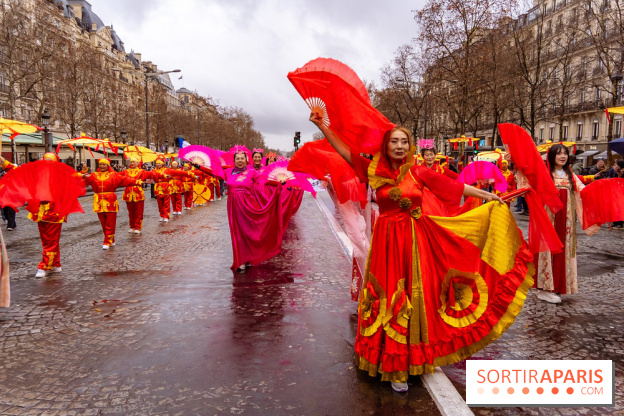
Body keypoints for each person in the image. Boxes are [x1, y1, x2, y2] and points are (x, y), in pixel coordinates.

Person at [309, 111, 534, 393]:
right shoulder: (372, 170)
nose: (400, 146)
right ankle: (391, 365)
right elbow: (344, 151)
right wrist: (322, 125)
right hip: (385, 242)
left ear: (410, 146)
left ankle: (411, 357)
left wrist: (487, 196)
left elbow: (453, 187)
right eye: (394, 142)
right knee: (388, 294)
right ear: (386, 145)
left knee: (417, 295)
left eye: (404, 141)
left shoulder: (419, 171)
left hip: (414, 241)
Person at [1, 153, 85, 277]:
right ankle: (56, 263)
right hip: (41, 211)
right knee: (48, 239)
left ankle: (45, 265)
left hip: (54, 212)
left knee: (50, 240)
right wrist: (3, 162)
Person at [534, 144, 598, 303]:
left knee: (562, 249)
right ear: (552, 156)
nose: (563, 156)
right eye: (559, 154)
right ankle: (544, 288)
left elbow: (583, 191)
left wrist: (602, 192)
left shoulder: (570, 174)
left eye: (565, 154)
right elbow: (529, 183)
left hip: (566, 221)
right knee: (548, 248)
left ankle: (557, 286)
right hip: (549, 217)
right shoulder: (545, 173)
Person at [223, 146, 283, 271]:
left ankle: (249, 257)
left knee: (248, 232)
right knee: (237, 234)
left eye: (242, 158)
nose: (240, 160)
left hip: (248, 206)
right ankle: (241, 260)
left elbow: (264, 181)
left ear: (246, 160)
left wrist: (278, 182)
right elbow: (213, 172)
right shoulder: (228, 172)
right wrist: (197, 166)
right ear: (234, 161)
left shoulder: (252, 172)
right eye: (237, 158)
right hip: (233, 207)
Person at [82, 158, 141, 249]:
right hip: (98, 201)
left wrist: (137, 182)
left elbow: (125, 179)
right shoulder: (94, 175)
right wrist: (83, 173)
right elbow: (83, 181)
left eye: (104, 164)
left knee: (110, 222)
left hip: (110, 200)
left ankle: (107, 241)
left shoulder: (113, 175)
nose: (102, 166)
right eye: (100, 164)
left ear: (108, 166)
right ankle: (110, 239)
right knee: (103, 222)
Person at [119, 156, 167, 234]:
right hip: (128, 193)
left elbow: (153, 174)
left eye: (134, 162)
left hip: (138, 193)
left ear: (138, 163)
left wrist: (162, 175)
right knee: (131, 212)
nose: (132, 163)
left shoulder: (142, 171)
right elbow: (116, 176)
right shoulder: (125, 171)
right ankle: (132, 226)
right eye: (131, 162)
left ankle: (138, 227)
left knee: (138, 211)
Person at [607, 159, 624, 229]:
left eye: (617, 164)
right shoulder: (614, 171)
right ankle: (615, 221)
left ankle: (620, 222)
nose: (615, 166)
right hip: (616, 190)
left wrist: (620, 173)